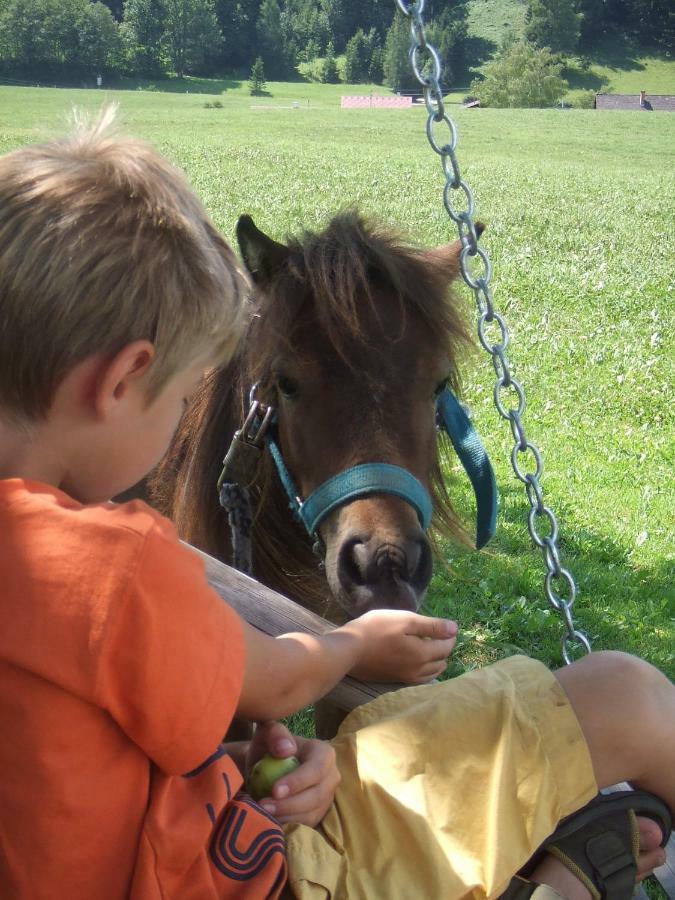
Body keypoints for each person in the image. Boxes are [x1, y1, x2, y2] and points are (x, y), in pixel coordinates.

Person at [0, 110, 671, 900]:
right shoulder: (107, 568)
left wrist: (249, 766)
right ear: (120, 383)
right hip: (254, 879)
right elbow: (279, 680)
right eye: (182, 398)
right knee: (626, 697)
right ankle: (563, 881)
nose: (187, 414)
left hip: (169, 834)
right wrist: (355, 647)